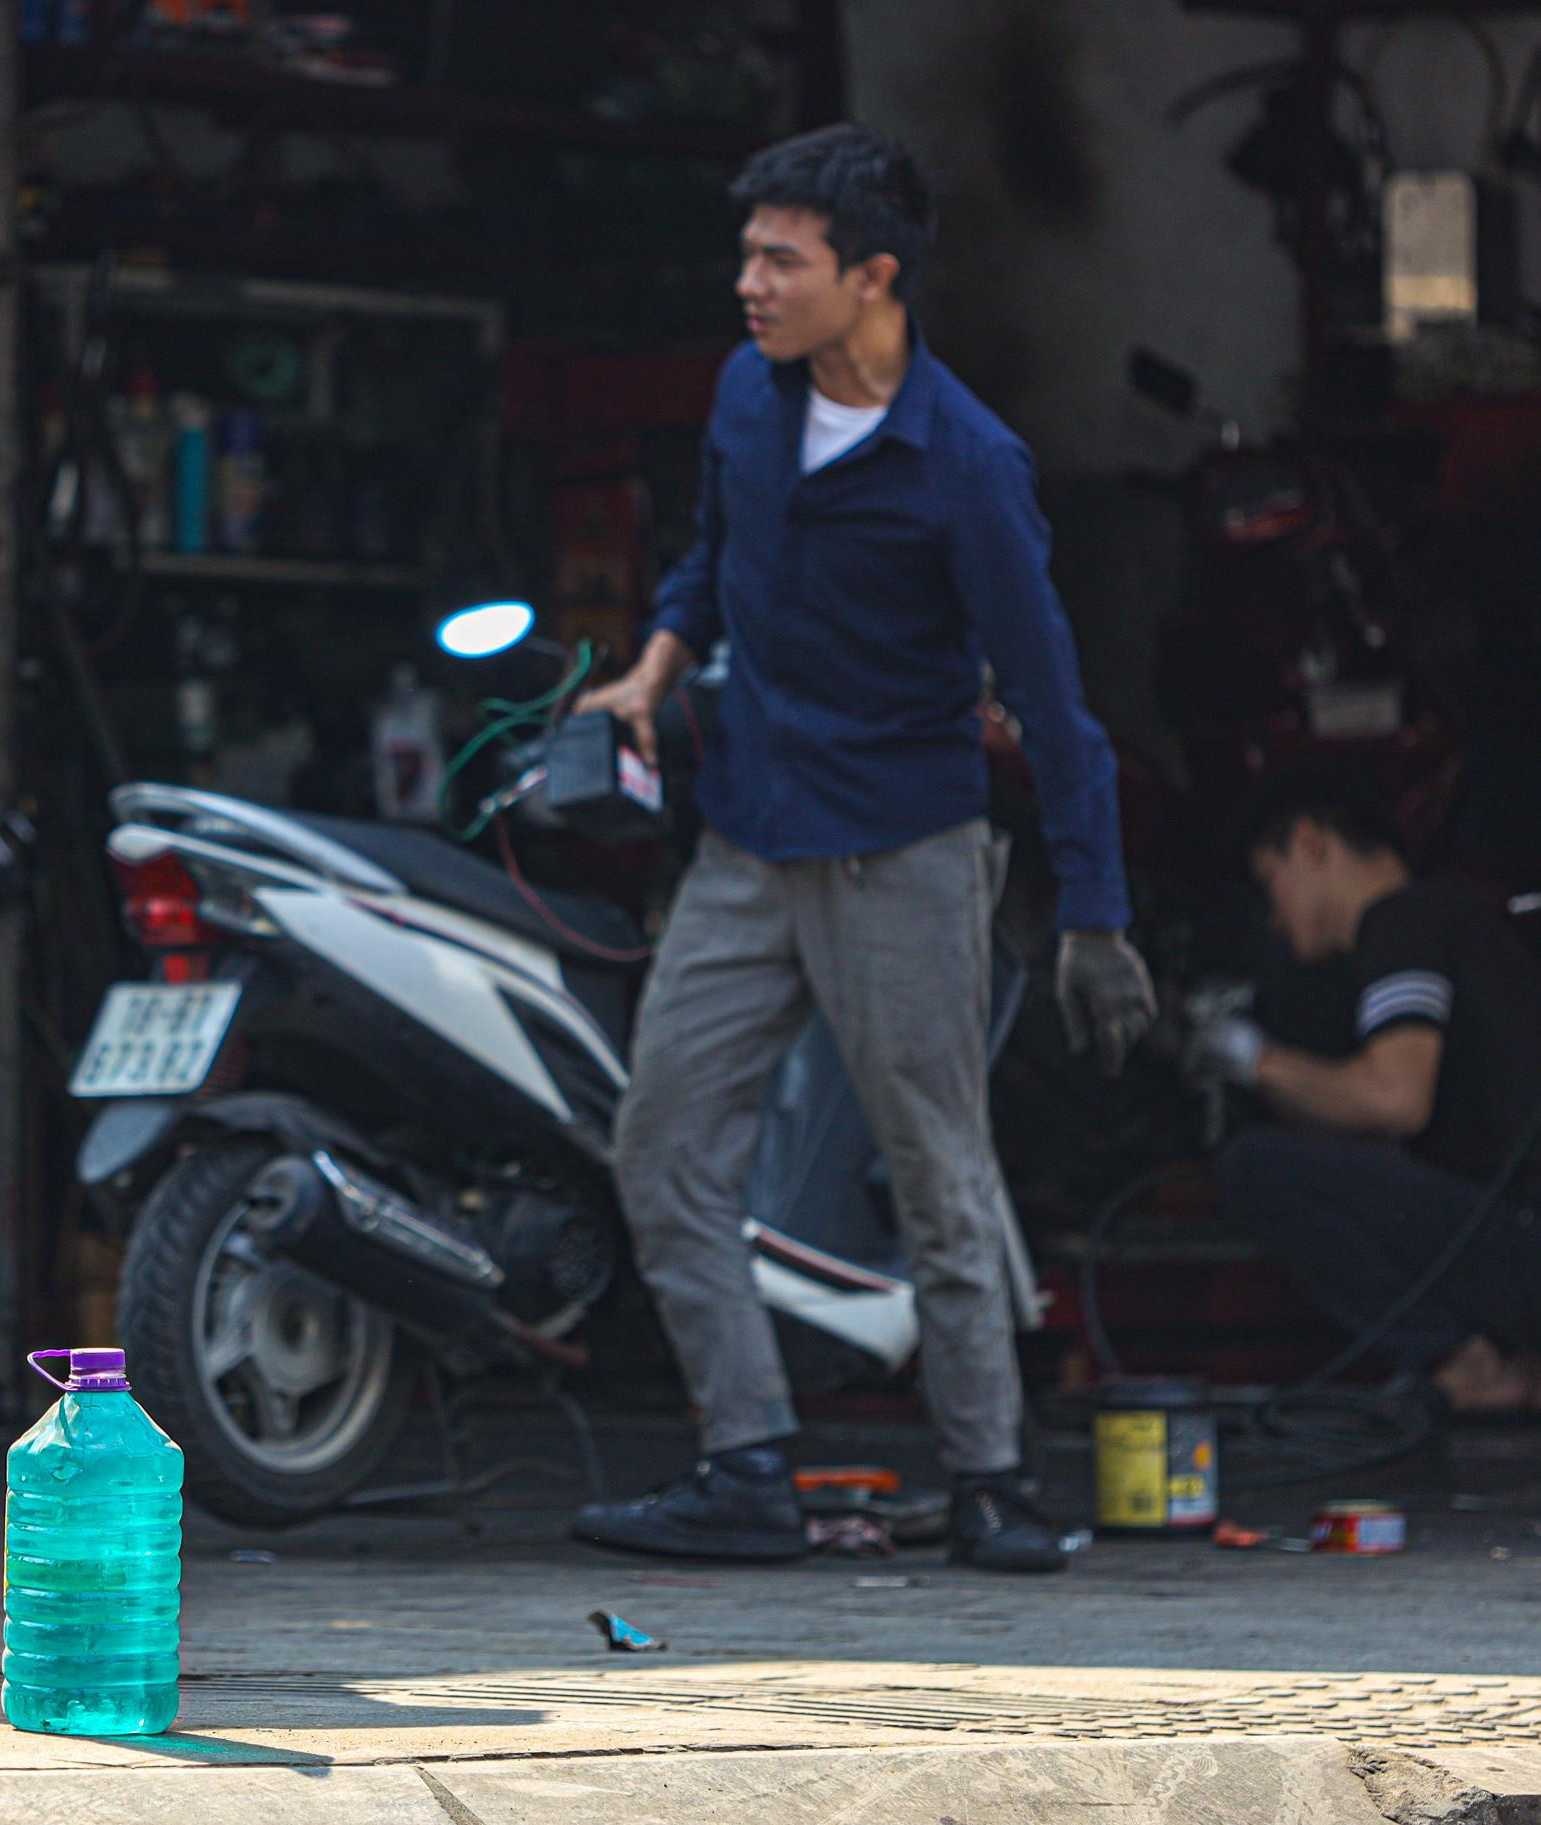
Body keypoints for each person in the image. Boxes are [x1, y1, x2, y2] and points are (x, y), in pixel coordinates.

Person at [566, 124, 1155, 1573]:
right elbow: (710, 559)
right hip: (745, 843)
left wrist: (1094, 912)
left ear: (872, 278)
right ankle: (744, 1462)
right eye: (747, 255)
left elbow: (1054, 703)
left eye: (781, 261)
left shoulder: (966, 465)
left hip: (902, 854)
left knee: (935, 1170)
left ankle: (990, 1479)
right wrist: (647, 673)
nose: (748, 285)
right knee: (661, 1146)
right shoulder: (744, 395)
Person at [1192, 769, 1541, 1412]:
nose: (1273, 919)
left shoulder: (1401, 921)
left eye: (1270, 884)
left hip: (1523, 1239)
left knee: (1255, 1167)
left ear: (1310, 843)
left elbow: (1393, 1101)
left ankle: (1467, 1365)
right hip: (1515, 1235)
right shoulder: (1455, 924)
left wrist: (1252, 1059)